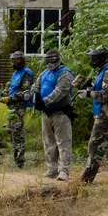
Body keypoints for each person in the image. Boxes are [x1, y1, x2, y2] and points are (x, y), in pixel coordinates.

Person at [78, 46, 108, 185]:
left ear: (102, 58)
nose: (92, 59)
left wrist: (88, 94)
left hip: (106, 115)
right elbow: (105, 89)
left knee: (95, 146)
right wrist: (92, 88)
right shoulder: (106, 71)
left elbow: (106, 95)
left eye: (95, 57)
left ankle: (86, 180)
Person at [31, 49, 75, 181]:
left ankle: (64, 171)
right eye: (47, 60)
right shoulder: (44, 73)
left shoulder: (65, 73)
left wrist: (44, 102)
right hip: (46, 114)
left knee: (63, 143)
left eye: (53, 60)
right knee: (49, 143)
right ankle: (52, 169)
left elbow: (60, 91)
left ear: (59, 59)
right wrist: (35, 94)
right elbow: (36, 86)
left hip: (61, 112)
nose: (50, 63)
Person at [0, 51, 33, 168]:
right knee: (13, 133)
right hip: (12, 107)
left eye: (17, 60)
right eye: (13, 60)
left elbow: (24, 93)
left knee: (17, 132)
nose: (14, 62)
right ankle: (16, 159)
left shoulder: (26, 73)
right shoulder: (16, 73)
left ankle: (20, 161)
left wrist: (9, 99)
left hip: (19, 107)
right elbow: (10, 88)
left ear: (22, 60)